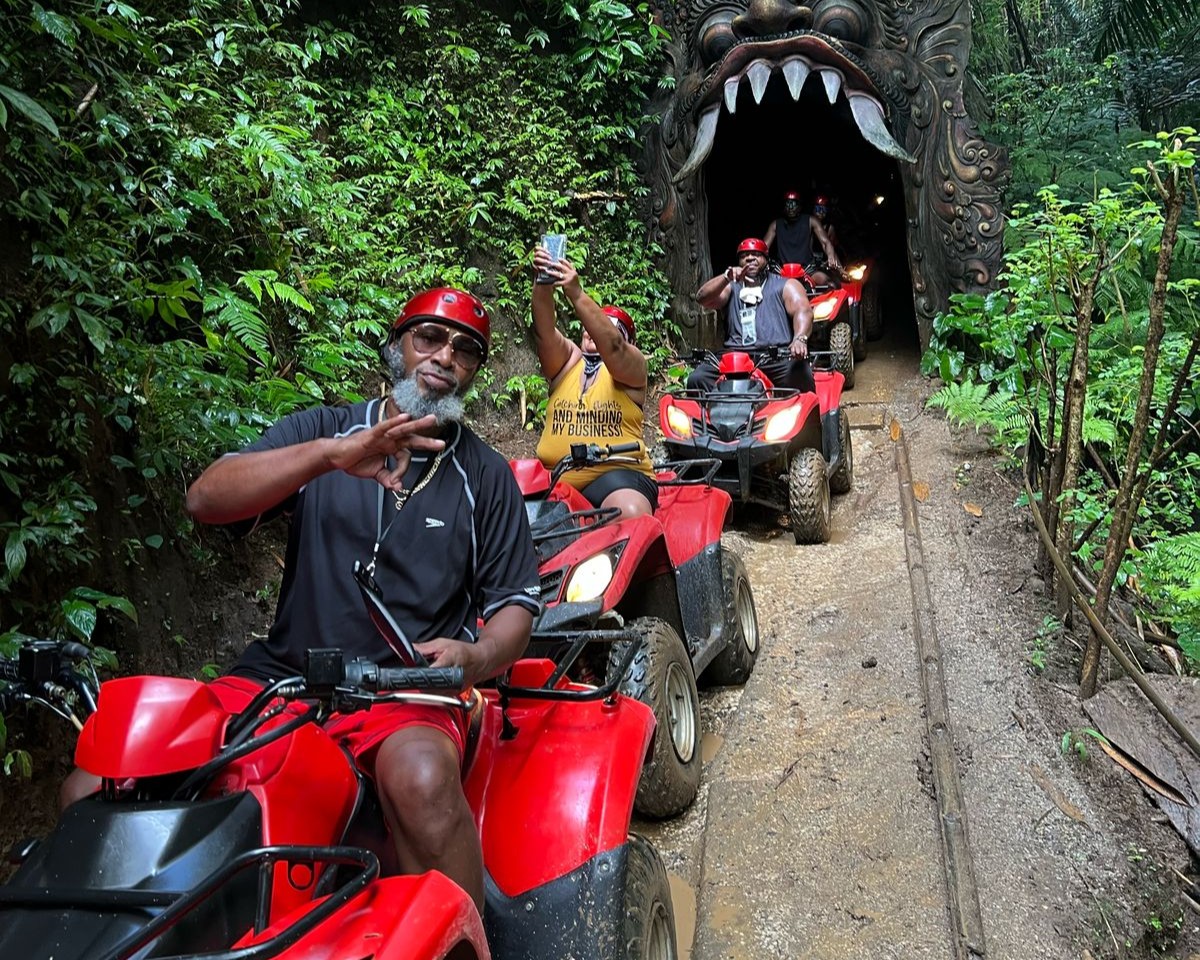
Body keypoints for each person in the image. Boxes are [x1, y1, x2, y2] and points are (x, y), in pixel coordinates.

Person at [63, 287, 541, 919]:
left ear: (475, 370)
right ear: (396, 347)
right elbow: (205, 499)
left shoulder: (484, 475)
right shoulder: (322, 429)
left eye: (465, 349)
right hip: (283, 674)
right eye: (428, 337)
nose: (444, 356)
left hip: (405, 693)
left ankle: (468, 938)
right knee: (98, 782)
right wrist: (328, 457)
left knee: (422, 782)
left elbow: (515, 605)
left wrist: (475, 657)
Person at [531, 245, 657, 518]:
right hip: (556, 475)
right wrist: (543, 281)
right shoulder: (567, 361)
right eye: (589, 327)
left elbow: (614, 347)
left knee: (630, 512)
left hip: (618, 474)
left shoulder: (633, 367)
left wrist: (576, 293)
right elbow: (544, 332)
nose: (593, 332)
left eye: (609, 327)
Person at [690, 237, 815, 393]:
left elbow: (803, 311)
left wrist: (800, 338)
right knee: (697, 378)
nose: (749, 258)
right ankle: (712, 409)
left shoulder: (785, 284)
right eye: (744, 256)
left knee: (800, 374)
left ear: (766, 259)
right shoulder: (731, 287)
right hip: (735, 357)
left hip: (774, 357)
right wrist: (726, 277)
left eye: (756, 254)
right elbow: (702, 298)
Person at [762, 191, 841, 285]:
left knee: (830, 283)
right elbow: (763, 248)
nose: (791, 207)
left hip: (808, 270)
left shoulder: (811, 220)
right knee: (765, 285)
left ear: (799, 206)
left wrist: (830, 256)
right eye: (788, 204)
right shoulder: (775, 224)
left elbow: (826, 243)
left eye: (794, 204)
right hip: (782, 271)